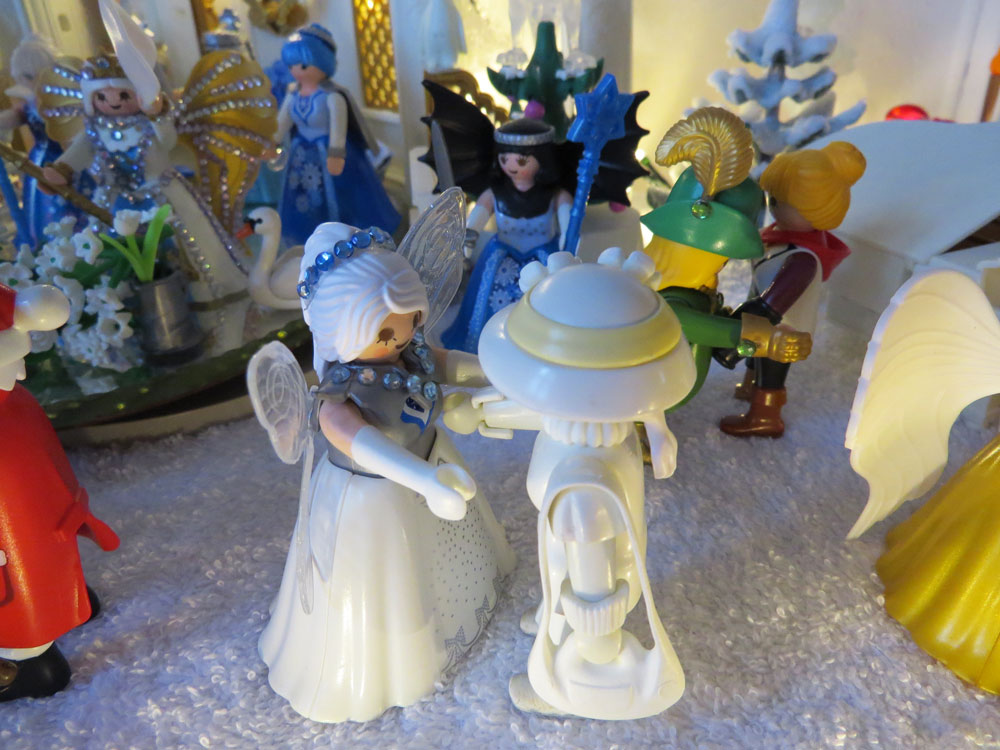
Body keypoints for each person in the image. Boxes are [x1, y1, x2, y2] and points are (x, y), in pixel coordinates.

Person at [256, 222, 514, 723]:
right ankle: (399, 664)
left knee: (452, 561)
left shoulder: (410, 352)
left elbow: (447, 363)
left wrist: (498, 369)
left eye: (410, 323)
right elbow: (364, 445)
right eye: (385, 333)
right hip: (376, 500)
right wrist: (422, 480)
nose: (402, 339)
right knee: (393, 587)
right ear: (343, 332)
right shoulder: (339, 396)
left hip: (432, 465)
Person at [0, 282, 119, 702]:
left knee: (17, 593)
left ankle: (27, 663)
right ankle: (70, 599)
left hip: (19, 545)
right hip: (44, 527)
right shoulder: (17, 403)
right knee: (38, 567)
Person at [720, 141, 866, 437]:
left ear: (815, 212)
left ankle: (766, 417)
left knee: (771, 373)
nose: (772, 207)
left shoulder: (802, 259)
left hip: (784, 331)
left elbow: (773, 304)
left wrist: (740, 324)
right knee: (757, 359)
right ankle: (749, 387)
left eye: (779, 202)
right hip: (766, 325)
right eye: (772, 199)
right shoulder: (778, 241)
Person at [440, 118, 571, 353]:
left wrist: (569, 240)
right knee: (486, 298)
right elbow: (477, 218)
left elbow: (568, 225)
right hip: (501, 255)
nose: (511, 166)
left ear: (542, 159)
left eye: (521, 160)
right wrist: (468, 237)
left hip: (542, 256)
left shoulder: (556, 196)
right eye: (504, 159)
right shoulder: (494, 194)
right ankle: (485, 341)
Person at [275, 24, 400, 246]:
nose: (297, 71)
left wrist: (335, 154)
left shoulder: (332, 96)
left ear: (323, 63)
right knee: (303, 198)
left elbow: (338, 130)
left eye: (303, 65)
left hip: (332, 155)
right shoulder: (293, 95)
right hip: (301, 154)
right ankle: (310, 239)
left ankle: (343, 239)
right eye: (292, 66)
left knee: (342, 199)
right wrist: (270, 143)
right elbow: (282, 123)